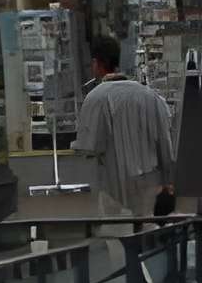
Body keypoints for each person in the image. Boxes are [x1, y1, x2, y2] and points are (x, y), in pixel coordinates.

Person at [72, 33, 175, 222]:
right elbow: (165, 145)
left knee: (116, 231)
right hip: (149, 184)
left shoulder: (95, 98)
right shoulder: (151, 97)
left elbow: (88, 146)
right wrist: (168, 180)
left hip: (113, 186)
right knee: (148, 228)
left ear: (96, 63)